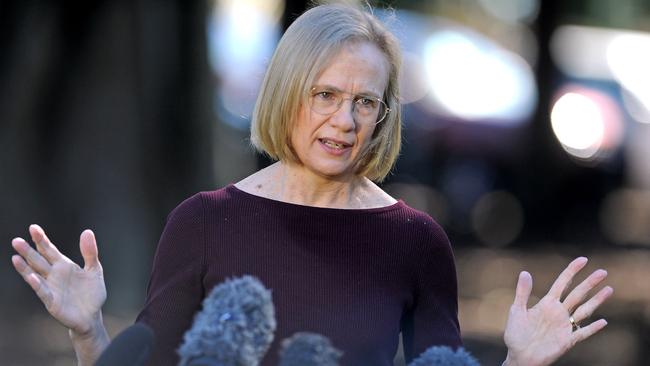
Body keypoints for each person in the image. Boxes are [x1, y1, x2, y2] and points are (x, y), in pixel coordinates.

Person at [10, 3, 613, 366]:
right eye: (325, 95)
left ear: (384, 114)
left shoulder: (416, 241)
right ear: (286, 94)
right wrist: (87, 329)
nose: (344, 121)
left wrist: (519, 360)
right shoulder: (204, 223)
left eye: (364, 102)